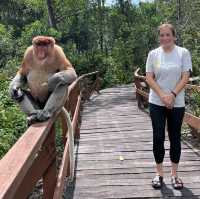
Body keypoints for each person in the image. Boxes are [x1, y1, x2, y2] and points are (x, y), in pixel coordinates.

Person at [145, 23, 192, 189]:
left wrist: (172, 95)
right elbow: (149, 78)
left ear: (174, 36)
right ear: (159, 37)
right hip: (156, 101)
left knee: (175, 138)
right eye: (162, 35)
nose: (165, 38)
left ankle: (174, 175)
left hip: (177, 102)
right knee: (158, 137)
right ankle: (159, 174)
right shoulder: (153, 54)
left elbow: (185, 76)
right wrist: (163, 96)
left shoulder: (183, 53)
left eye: (168, 34)